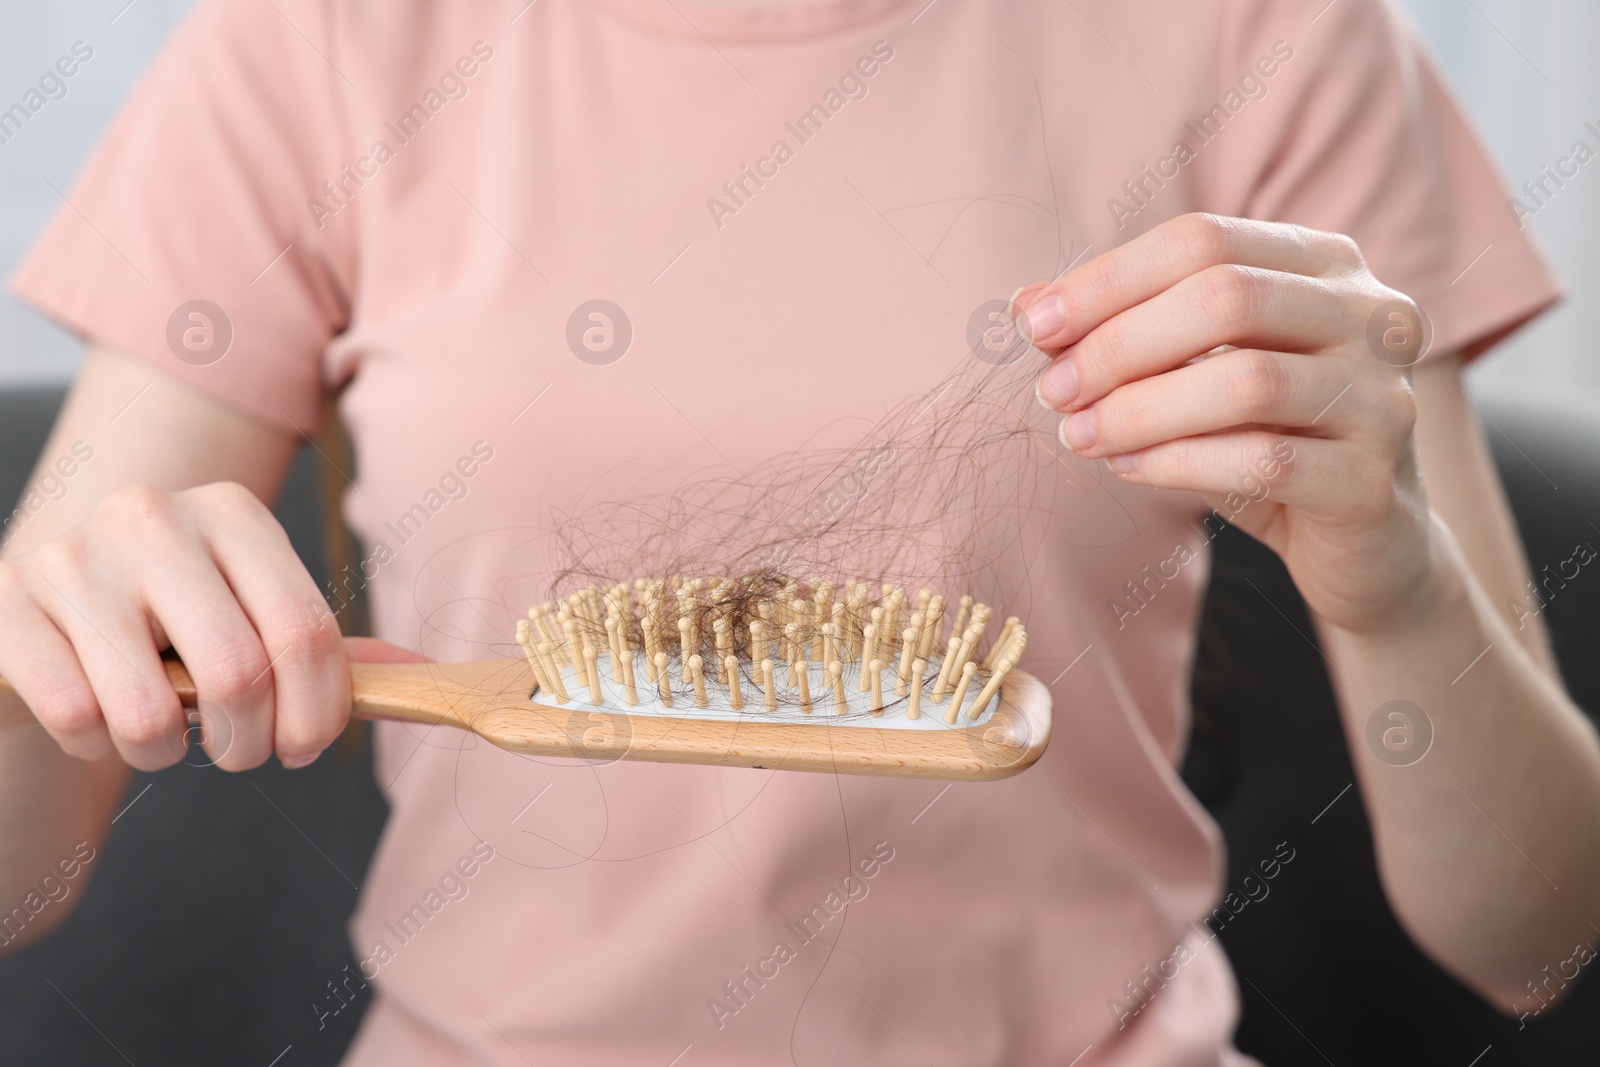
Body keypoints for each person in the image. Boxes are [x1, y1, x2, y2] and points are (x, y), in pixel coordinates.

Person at [3, 0, 1597, 1062]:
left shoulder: (1266, 33)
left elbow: (1539, 950)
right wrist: (51, 661)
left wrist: (1398, 584)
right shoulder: (324, 38)